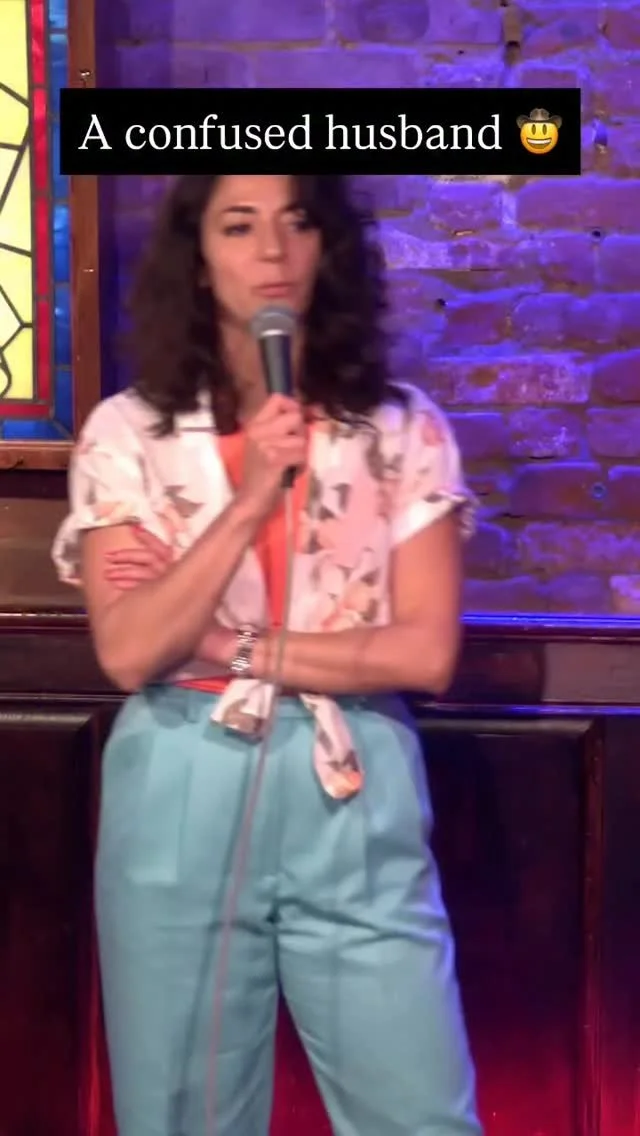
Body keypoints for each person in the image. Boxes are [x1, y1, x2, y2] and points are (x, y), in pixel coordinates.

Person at [52, 173, 483, 1136]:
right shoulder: (129, 434)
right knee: (179, 1115)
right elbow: (129, 649)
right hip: (180, 776)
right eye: (239, 226)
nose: (273, 251)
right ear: (200, 261)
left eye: (297, 223)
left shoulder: (402, 430)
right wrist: (252, 496)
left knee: (420, 1113)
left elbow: (426, 652)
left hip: (352, 778)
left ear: (329, 248)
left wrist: (221, 640)